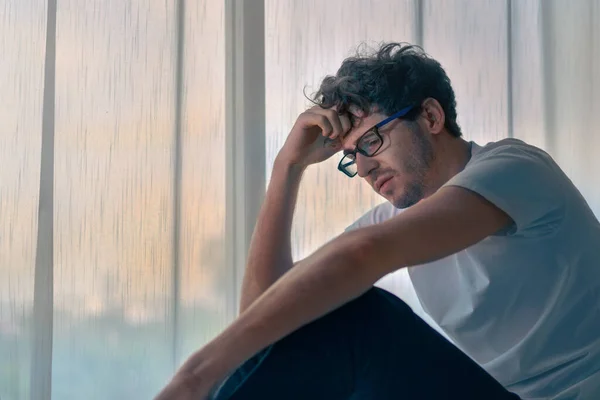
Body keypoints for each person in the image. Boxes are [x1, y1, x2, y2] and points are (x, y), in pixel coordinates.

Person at [154, 43, 600, 400]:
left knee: (358, 316)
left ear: (430, 116)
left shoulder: (516, 168)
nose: (363, 169)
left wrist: (194, 378)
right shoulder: (396, 217)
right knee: (310, 314)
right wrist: (287, 167)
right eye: (351, 157)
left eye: (371, 141)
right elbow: (265, 319)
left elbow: (362, 257)